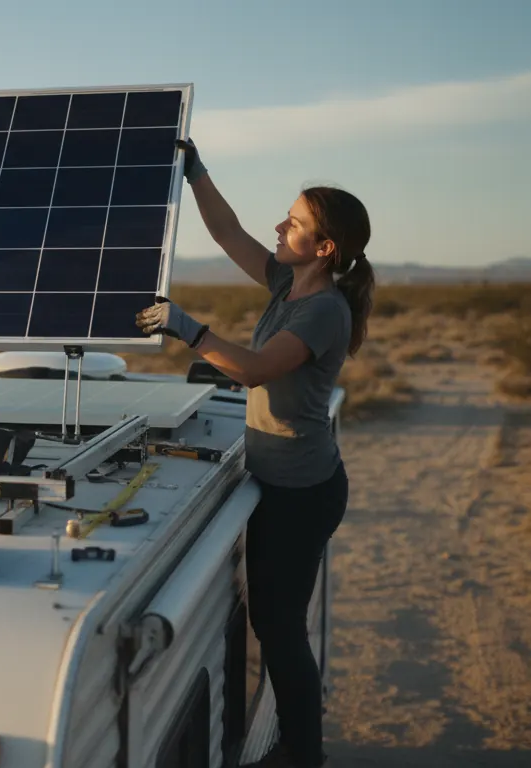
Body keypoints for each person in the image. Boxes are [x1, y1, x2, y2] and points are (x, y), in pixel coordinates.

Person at [135, 139, 375, 768]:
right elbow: (227, 232)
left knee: (279, 629)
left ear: (324, 247)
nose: (278, 227)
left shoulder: (323, 311)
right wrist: (196, 173)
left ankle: (302, 753)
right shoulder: (286, 283)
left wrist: (188, 328)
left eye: (293, 222)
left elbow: (256, 370)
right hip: (281, 482)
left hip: (302, 493)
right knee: (273, 622)